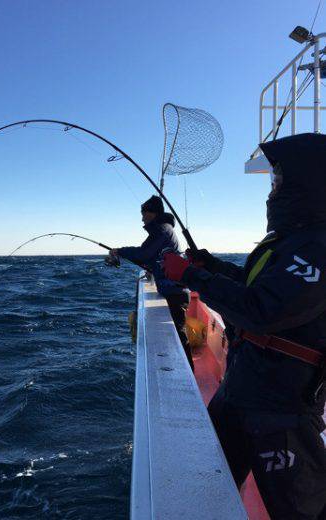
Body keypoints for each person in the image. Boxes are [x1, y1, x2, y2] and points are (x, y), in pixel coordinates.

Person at [162, 133, 326, 519]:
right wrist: (212, 267)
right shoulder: (292, 241)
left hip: (280, 408)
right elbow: (261, 287)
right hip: (242, 388)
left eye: (279, 179)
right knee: (209, 484)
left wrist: (193, 278)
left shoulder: (318, 246)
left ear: (309, 182)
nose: (273, 189)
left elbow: (263, 309)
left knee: (299, 509)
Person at [106, 195, 194, 369]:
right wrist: (152, 266)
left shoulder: (161, 230)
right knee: (178, 335)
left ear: (152, 213)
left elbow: (143, 253)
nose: (142, 218)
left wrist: (119, 251)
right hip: (174, 290)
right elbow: (155, 256)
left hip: (175, 292)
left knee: (179, 336)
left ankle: (188, 372)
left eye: (144, 213)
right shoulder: (164, 229)